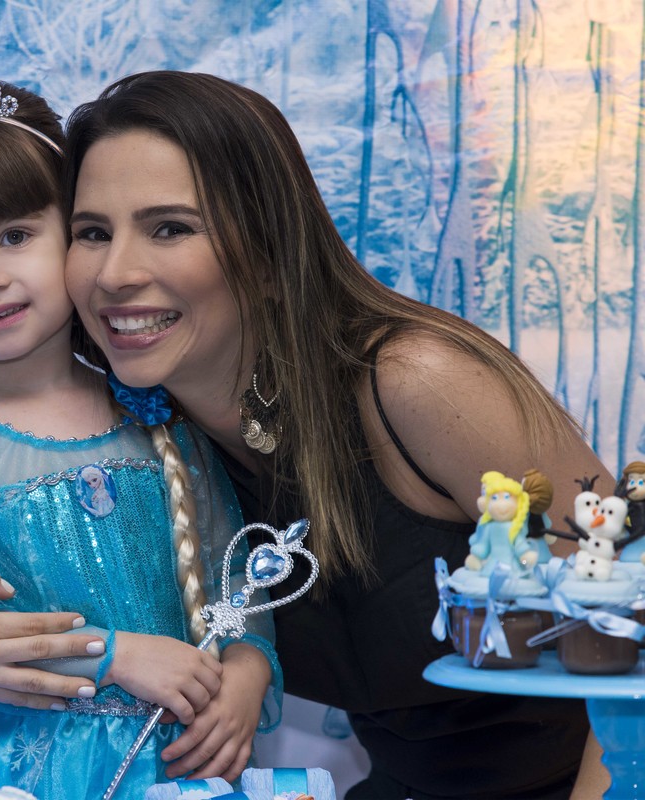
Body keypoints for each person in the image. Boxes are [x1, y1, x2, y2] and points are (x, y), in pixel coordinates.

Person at [62, 69, 612, 800]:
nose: (114, 273)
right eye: (91, 233)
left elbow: (632, 605)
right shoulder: (145, 449)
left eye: (171, 227)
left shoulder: (414, 383)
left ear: (266, 253)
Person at [0, 56, 280, 799]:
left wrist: (247, 670)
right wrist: (112, 655)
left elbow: (236, 577)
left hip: (182, 766)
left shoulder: (155, 407)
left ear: (75, 234)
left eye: (16, 235)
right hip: (32, 772)